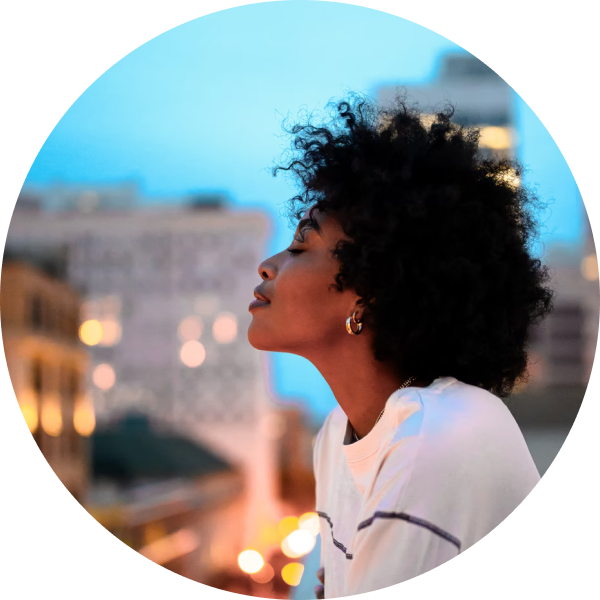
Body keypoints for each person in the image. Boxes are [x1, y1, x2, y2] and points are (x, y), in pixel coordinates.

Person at [248, 90, 555, 596]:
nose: (268, 265)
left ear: (370, 292)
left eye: (301, 245)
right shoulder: (336, 436)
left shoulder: (436, 437)